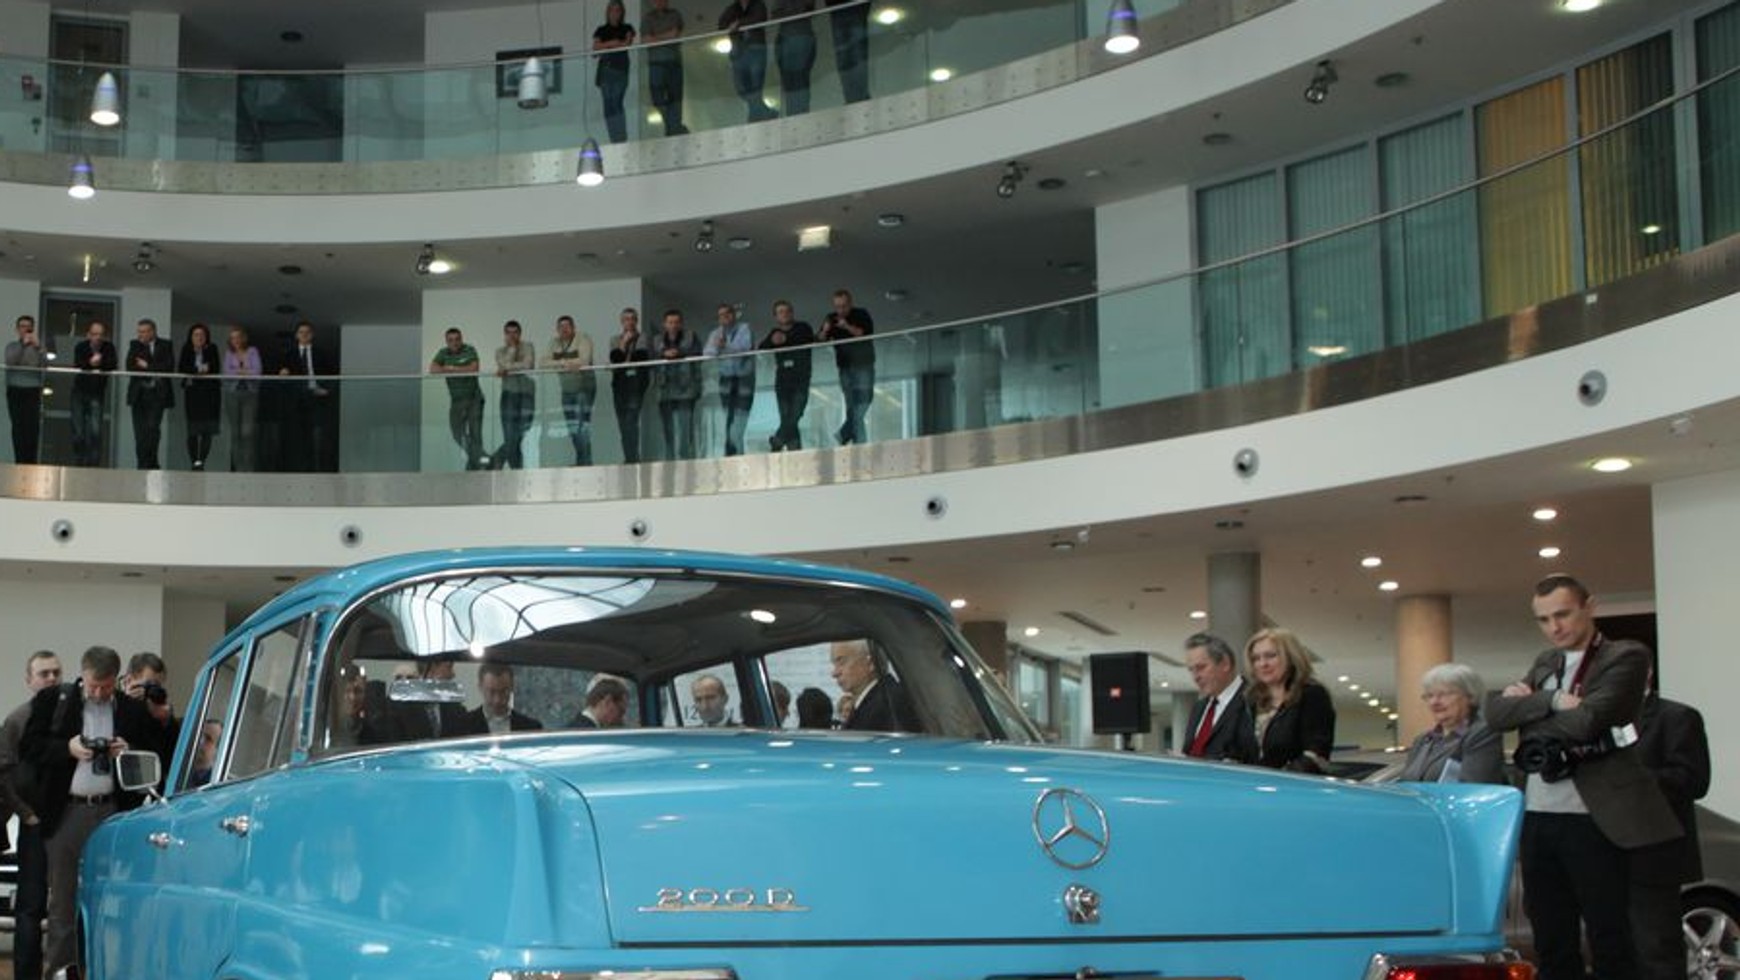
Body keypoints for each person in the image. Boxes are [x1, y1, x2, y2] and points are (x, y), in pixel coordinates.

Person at [1485, 574, 1684, 980]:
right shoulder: (1546, 662)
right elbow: (1495, 714)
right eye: (1543, 619)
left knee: (1610, 939)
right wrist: (1555, 700)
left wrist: (1530, 710)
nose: (1554, 627)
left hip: (1596, 819)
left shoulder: (1625, 655)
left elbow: (1589, 721)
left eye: (1563, 614)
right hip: (1540, 816)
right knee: (1551, 940)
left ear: (1589, 607)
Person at [21, 645, 168, 980]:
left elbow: (159, 754)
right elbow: (29, 748)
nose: (99, 693)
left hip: (114, 812)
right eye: (93, 686)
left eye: (106, 686)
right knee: (62, 902)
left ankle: (110, 968)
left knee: (116, 898)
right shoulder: (54, 701)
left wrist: (127, 751)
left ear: (117, 680)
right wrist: (68, 748)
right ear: (82, 675)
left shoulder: (131, 709)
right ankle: (61, 972)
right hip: (67, 812)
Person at [1630, 677, 1710, 980]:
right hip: (1604, 855)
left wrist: (1632, 780)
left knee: (1656, 952)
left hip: (1653, 856)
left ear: (1645, 671)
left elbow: (1694, 780)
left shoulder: (1677, 717)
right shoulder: (1598, 719)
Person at [0, 650, 63, 980]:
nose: (51, 678)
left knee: (66, 904)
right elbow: (3, 774)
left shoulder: (73, 717)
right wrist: (25, 814)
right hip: (35, 823)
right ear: (29, 680)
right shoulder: (17, 720)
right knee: (30, 906)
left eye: (55, 672)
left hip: (69, 822)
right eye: (43, 673)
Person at [1244, 627, 1335, 772]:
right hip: (1252, 783)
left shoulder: (1312, 694)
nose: (1263, 664)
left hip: (1293, 783)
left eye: (1270, 656)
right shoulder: (1251, 699)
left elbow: (1316, 754)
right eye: (1256, 658)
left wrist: (1277, 778)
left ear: (1291, 657)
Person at [1396, 662, 1505, 783]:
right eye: (1429, 696)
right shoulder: (1423, 740)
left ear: (1470, 697)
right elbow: (1406, 782)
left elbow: (1474, 787)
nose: (1434, 702)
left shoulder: (1483, 734)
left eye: (1444, 694)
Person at [1181, 632, 1253, 762]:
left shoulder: (1254, 700)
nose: (1195, 677)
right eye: (1191, 670)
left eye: (1201, 667)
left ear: (1225, 663)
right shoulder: (1198, 708)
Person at [278, 321, 335, 472]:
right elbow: (281, 375)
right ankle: (299, 469)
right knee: (297, 434)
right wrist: (283, 373)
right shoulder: (288, 355)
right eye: (301, 332)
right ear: (296, 335)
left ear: (312, 335)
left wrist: (326, 389)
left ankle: (316, 469)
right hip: (296, 399)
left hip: (316, 396)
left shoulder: (322, 353)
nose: (304, 335)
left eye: (307, 332)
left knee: (317, 434)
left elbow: (332, 374)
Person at [819, 288, 874, 445]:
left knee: (864, 399)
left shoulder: (861, 314)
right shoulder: (831, 318)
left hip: (863, 364)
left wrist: (847, 326)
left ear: (850, 303)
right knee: (852, 406)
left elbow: (864, 334)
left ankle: (844, 434)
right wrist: (825, 330)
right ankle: (859, 445)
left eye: (844, 306)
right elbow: (820, 339)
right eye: (838, 306)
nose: (841, 310)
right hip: (845, 367)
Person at [759, 299, 813, 450]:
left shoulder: (803, 327)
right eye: (780, 312)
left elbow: (807, 339)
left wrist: (786, 339)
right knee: (786, 417)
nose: (785, 314)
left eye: (787, 311)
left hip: (801, 379)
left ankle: (777, 441)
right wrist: (773, 341)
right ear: (776, 316)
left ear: (792, 313)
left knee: (795, 413)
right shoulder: (774, 333)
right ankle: (795, 451)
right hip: (782, 381)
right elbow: (762, 348)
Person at [704, 303, 756, 456]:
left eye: (727, 313)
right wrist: (720, 348)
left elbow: (745, 348)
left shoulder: (745, 328)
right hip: (726, 378)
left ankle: (737, 451)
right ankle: (731, 453)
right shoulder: (715, 333)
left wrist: (725, 346)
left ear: (734, 315)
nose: (725, 317)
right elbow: (708, 353)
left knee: (741, 416)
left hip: (744, 378)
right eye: (721, 315)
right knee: (728, 415)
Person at [545, 314, 598, 465]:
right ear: (557, 329)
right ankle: (582, 461)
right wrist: (566, 363)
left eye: (567, 326)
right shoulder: (554, 343)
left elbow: (584, 360)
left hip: (584, 389)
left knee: (581, 426)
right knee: (572, 429)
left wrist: (558, 362)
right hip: (566, 390)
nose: (564, 329)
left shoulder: (583, 338)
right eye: (561, 327)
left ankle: (585, 463)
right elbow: (543, 362)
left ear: (573, 328)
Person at [429, 327, 485, 470]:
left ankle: (475, 467)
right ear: (447, 342)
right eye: (451, 340)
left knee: (475, 434)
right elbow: (433, 369)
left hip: (474, 398)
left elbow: (474, 368)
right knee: (457, 433)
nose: (454, 343)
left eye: (457, 339)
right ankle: (482, 459)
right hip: (456, 400)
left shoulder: (469, 349)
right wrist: (456, 368)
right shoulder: (443, 353)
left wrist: (452, 369)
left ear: (461, 339)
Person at [831, 639, 915, 732]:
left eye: (841, 662)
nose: (834, 673)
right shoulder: (880, 698)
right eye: (834, 664)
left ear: (871, 663)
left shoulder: (888, 704)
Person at [124, 317, 176, 469]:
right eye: (139, 332)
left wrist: (147, 366)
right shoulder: (135, 345)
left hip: (157, 394)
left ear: (153, 331)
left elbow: (168, 367)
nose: (141, 335)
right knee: (140, 432)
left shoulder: (165, 345)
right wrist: (153, 367)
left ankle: (152, 462)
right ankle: (143, 464)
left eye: (144, 332)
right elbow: (130, 367)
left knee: (152, 428)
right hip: (139, 394)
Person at [654, 309, 701, 461]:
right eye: (670, 322)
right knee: (667, 428)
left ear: (681, 324)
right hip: (664, 389)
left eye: (676, 322)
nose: (673, 325)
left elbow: (697, 353)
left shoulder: (691, 336)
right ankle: (670, 459)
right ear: (665, 324)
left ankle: (685, 459)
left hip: (685, 388)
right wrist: (664, 354)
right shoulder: (657, 339)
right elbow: (651, 355)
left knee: (685, 427)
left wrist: (678, 353)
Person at [719, 0, 778, 122]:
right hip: (738, 51)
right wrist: (736, 24)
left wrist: (738, 23)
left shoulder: (758, 4)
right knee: (741, 88)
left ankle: (756, 115)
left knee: (756, 84)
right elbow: (722, 24)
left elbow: (758, 19)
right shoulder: (733, 8)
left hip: (755, 49)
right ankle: (763, 111)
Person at [70, 320, 118, 467]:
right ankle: (79, 461)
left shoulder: (108, 347)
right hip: (79, 392)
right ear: (88, 335)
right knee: (78, 431)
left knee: (95, 431)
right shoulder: (81, 346)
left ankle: (94, 464)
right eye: (95, 334)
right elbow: (78, 363)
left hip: (97, 392)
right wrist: (91, 363)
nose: (98, 337)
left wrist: (99, 363)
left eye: (101, 334)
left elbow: (112, 364)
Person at [5, 314, 51, 464]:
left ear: (32, 329)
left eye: (28, 327)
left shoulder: (39, 347)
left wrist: (39, 348)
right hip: (15, 390)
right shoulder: (11, 346)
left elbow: (46, 365)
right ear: (17, 329)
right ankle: (19, 461)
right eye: (22, 327)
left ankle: (31, 462)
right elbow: (10, 362)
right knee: (18, 427)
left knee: (32, 428)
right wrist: (23, 346)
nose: (25, 330)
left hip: (32, 390)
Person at [608, 308, 651, 464]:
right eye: (626, 319)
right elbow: (615, 358)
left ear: (636, 321)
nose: (630, 322)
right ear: (622, 322)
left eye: (632, 318)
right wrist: (623, 343)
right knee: (622, 424)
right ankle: (629, 457)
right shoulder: (615, 339)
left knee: (631, 421)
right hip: (619, 385)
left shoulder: (643, 337)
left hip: (636, 383)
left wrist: (624, 358)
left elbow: (641, 356)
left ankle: (633, 458)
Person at [492, 320, 536, 469]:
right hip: (509, 395)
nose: (512, 336)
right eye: (509, 333)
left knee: (522, 431)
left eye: (515, 332)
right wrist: (511, 349)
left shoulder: (528, 346)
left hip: (527, 394)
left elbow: (528, 365)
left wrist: (508, 368)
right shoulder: (500, 351)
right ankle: (517, 471)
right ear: (504, 335)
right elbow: (504, 364)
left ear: (520, 334)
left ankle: (498, 458)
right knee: (510, 435)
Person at [179, 322, 222, 470]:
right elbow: (183, 368)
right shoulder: (187, 349)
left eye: (202, 335)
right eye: (196, 335)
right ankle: (194, 461)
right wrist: (199, 369)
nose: (199, 337)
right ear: (191, 337)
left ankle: (201, 462)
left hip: (210, 395)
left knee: (207, 431)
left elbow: (214, 367)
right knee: (192, 430)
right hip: (193, 394)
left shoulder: (212, 348)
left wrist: (199, 370)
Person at [592, 0, 636, 144]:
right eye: (612, 10)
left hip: (620, 70)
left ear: (622, 13)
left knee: (616, 102)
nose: (615, 13)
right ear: (608, 12)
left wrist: (607, 45)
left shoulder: (627, 28)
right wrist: (613, 43)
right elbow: (596, 47)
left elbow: (626, 43)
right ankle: (614, 139)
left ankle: (621, 138)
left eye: (618, 10)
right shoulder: (601, 29)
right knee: (608, 105)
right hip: (606, 69)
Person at [642, 0, 689, 136]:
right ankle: (674, 127)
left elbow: (674, 35)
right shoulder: (647, 18)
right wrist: (666, 36)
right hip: (656, 63)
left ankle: (672, 130)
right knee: (657, 98)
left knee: (675, 97)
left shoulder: (674, 14)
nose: (659, 2)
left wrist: (655, 38)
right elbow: (646, 40)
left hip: (673, 62)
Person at [221, 325, 262, 472]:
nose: (236, 340)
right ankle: (238, 467)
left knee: (247, 432)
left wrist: (238, 371)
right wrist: (245, 371)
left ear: (244, 338)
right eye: (233, 338)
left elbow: (257, 372)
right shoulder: (229, 354)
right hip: (232, 394)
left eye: (238, 337)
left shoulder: (252, 351)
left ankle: (248, 467)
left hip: (250, 394)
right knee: (235, 432)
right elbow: (226, 372)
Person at [462, 664, 544, 735]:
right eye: (491, 692)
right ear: (480, 687)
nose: (497, 700)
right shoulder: (463, 725)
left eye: (504, 691)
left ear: (512, 687)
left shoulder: (531, 728)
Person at [771, 0, 817, 115]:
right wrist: (793, 11)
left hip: (801, 36)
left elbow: (807, 8)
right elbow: (775, 13)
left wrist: (788, 12)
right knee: (789, 80)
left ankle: (800, 112)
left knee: (799, 79)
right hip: (786, 38)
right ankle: (793, 112)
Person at [826, 0, 870, 103]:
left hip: (852, 7)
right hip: (838, 9)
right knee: (844, 57)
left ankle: (858, 98)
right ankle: (853, 98)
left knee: (855, 54)